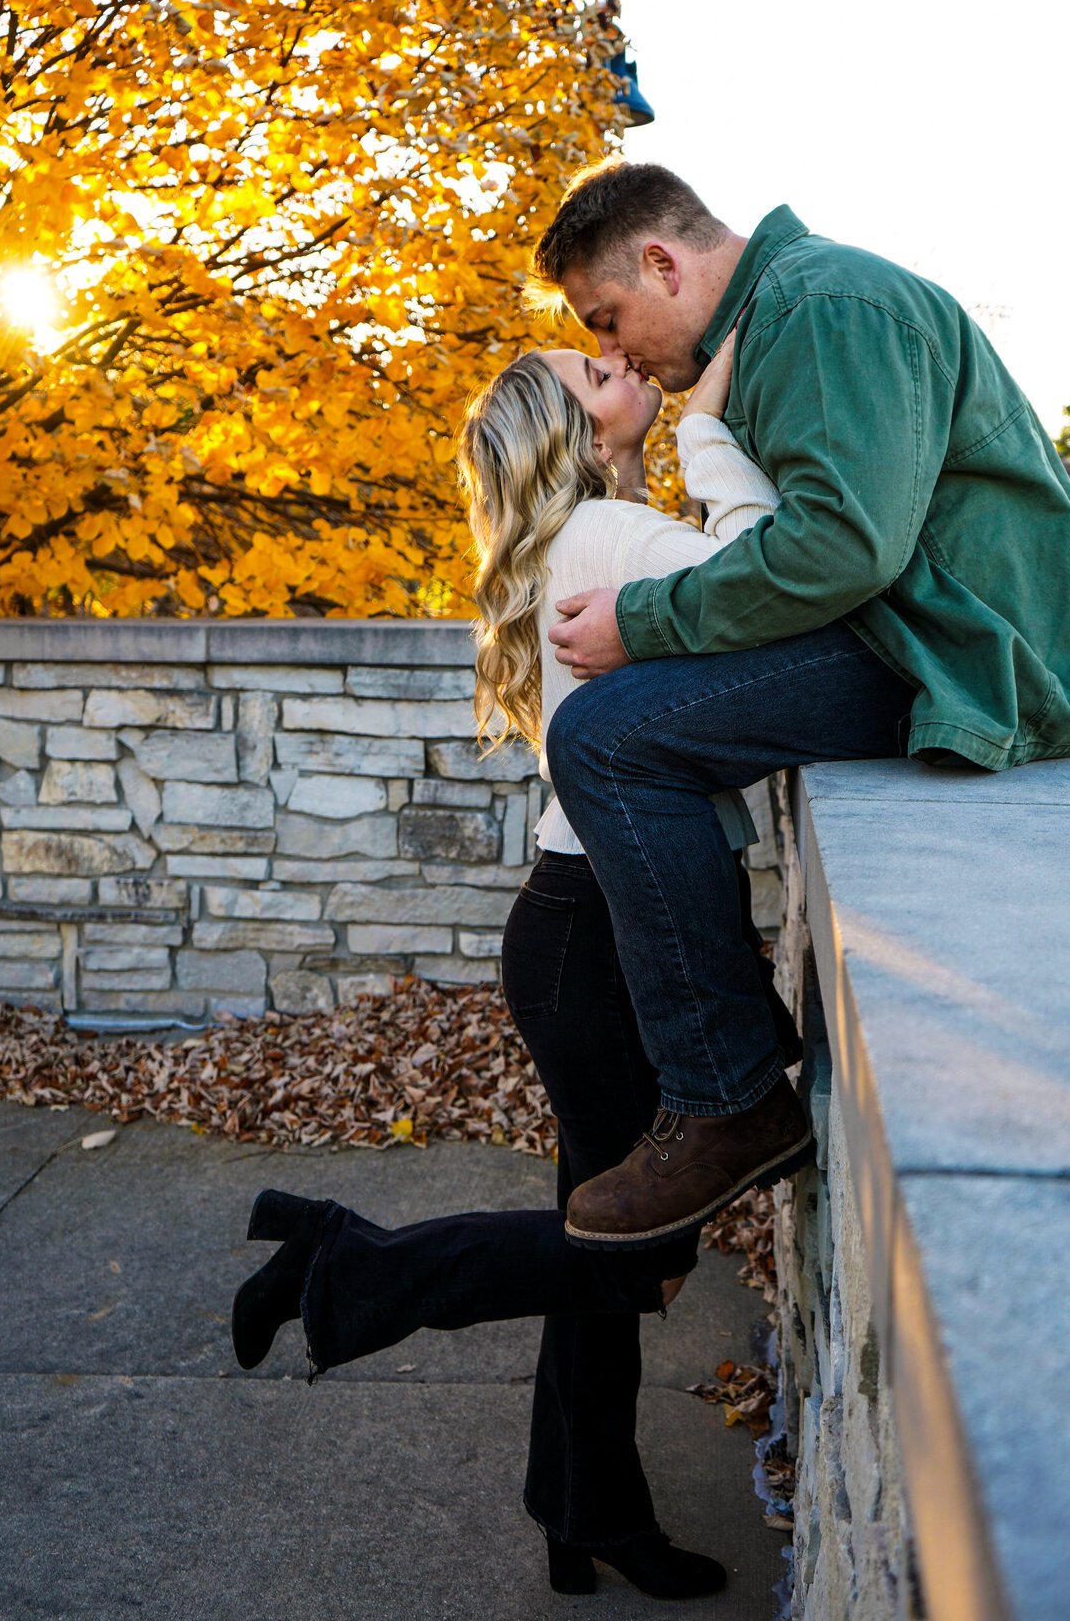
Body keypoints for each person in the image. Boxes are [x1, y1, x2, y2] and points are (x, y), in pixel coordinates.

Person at [232, 335, 808, 1602]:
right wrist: (712, 427)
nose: (618, 358)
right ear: (572, 427)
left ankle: (583, 1505)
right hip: (595, 941)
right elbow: (771, 578)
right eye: (593, 368)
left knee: (606, 1234)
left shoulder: (597, 529)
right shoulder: (603, 536)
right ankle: (350, 1269)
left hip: (582, 928)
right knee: (631, 1251)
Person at [529, 158, 1070, 1252]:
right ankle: (727, 1070)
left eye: (610, 319)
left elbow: (837, 549)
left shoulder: (826, 308)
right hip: (908, 633)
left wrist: (645, 622)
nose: (615, 352)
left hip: (975, 657)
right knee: (621, 727)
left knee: (608, 737)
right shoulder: (783, 321)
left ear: (664, 263)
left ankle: (729, 1100)